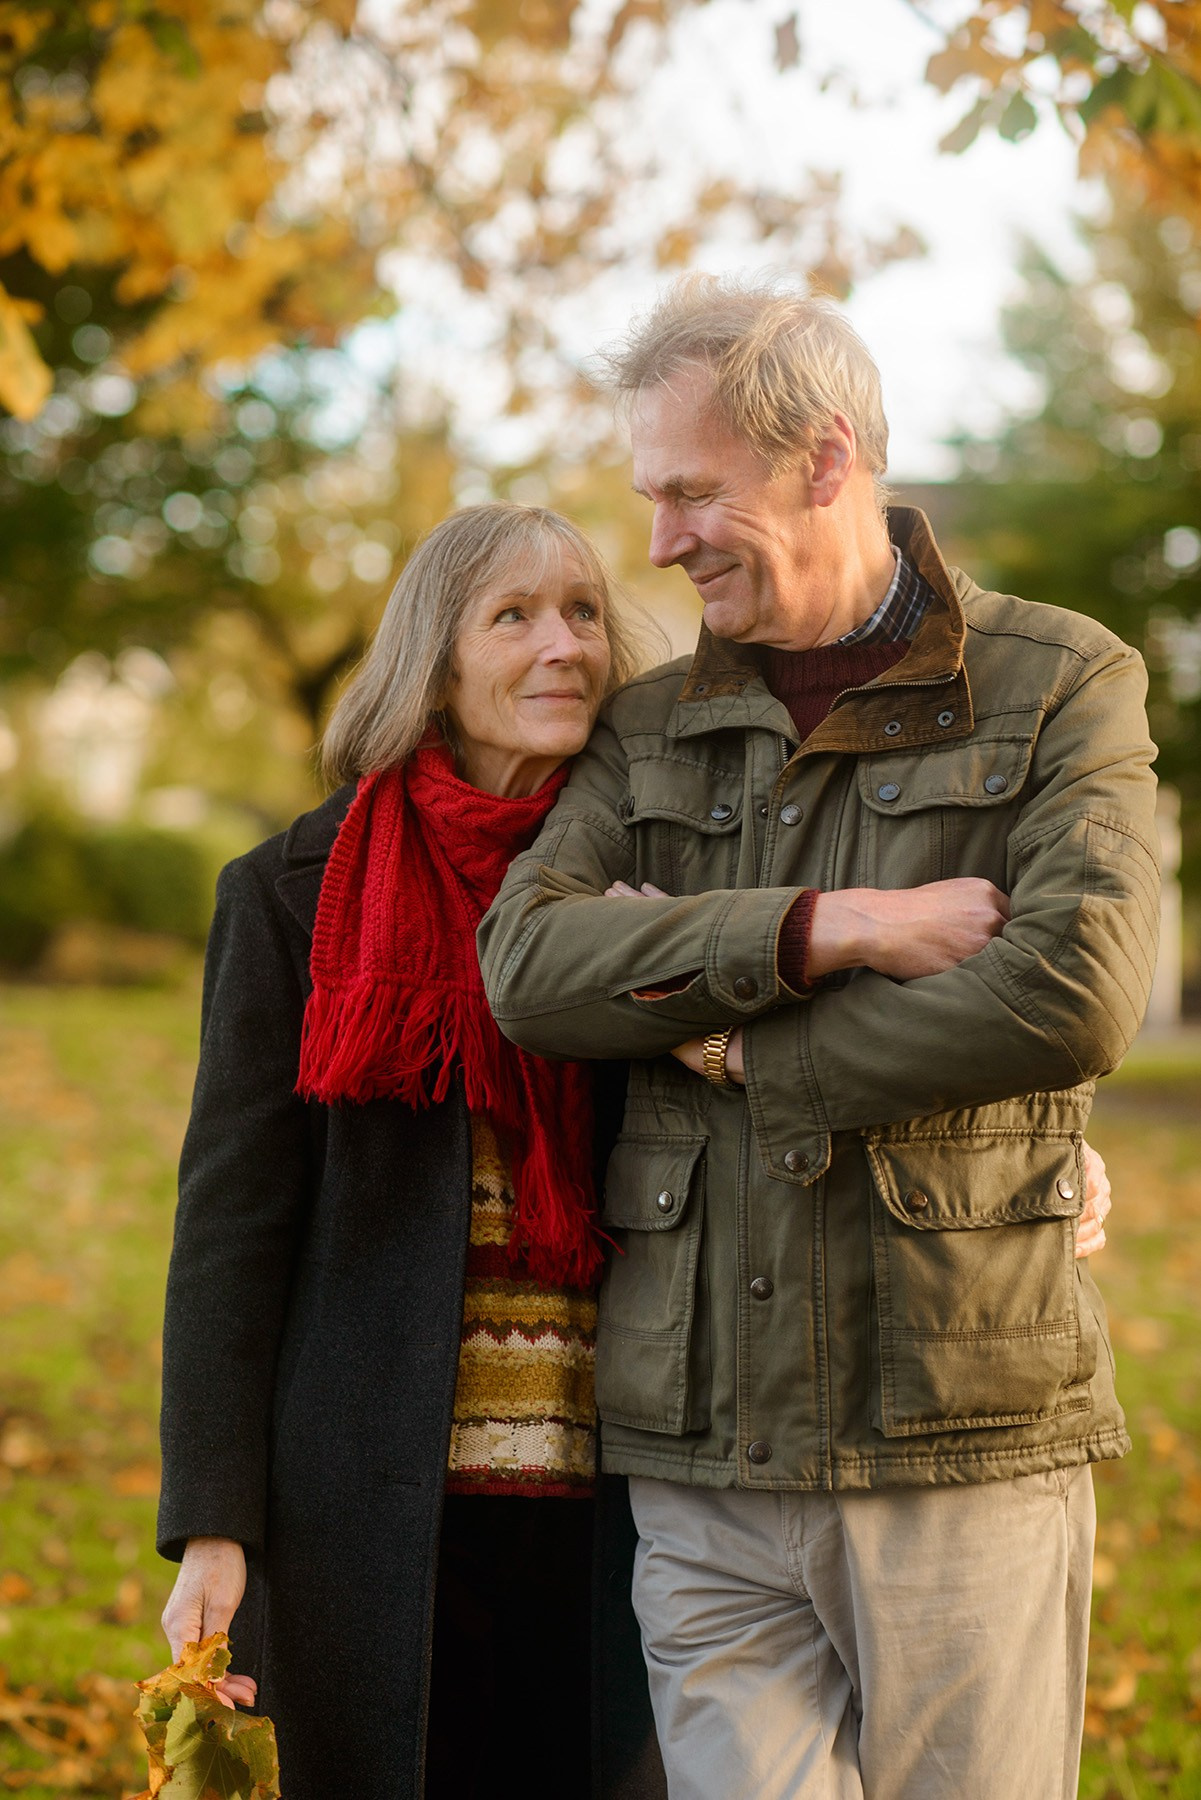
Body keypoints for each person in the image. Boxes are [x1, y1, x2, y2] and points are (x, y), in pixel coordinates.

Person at [478, 277, 1155, 1800]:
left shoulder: (1058, 684)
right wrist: (817, 930)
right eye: (649, 497)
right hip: (698, 1448)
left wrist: (722, 1047)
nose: (655, 542)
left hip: (955, 1429)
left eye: (690, 492)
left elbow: (1073, 990)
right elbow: (526, 965)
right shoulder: (645, 727)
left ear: (825, 460)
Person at [155, 503, 668, 1800]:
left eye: (584, 612)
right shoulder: (289, 891)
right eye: (514, 617)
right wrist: (214, 1523)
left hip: (626, 1491)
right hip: (366, 1505)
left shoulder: (652, 886)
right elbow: (232, 1218)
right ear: (433, 662)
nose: (564, 646)